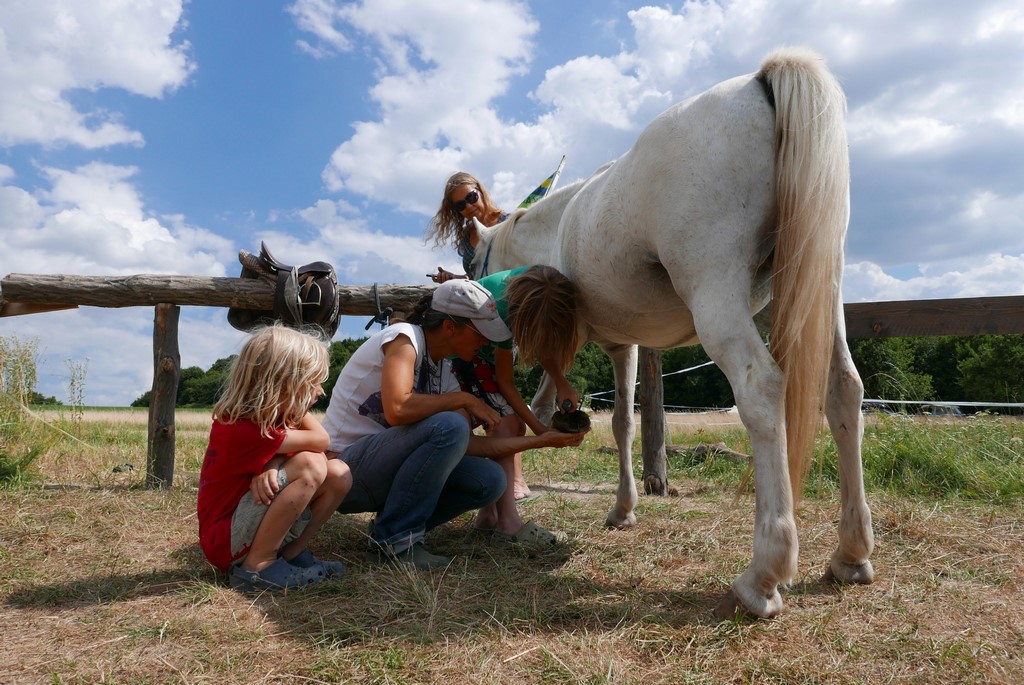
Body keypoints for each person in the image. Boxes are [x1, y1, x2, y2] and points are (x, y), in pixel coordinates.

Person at [321, 279, 586, 570]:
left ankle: (390, 526)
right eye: (481, 334)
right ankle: (395, 540)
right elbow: (397, 408)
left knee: (490, 481)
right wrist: (465, 400)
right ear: (450, 327)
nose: (485, 342)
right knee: (449, 425)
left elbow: (471, 445)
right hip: (346, 472)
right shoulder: (403, 338)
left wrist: (541, 440)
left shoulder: (443, 369)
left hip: (381, 471)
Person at [197, 325, 352, 592]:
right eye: (312, 383)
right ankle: (258, 567)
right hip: (226, 540)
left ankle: (291, 556)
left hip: (242, 525)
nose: (320, 392)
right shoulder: (241, 428)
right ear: (284, 385)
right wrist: (279, 454)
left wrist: (274, 462)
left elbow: (309, 444)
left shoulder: (268, 422)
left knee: (338, 473)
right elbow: (321, 441)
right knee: (311, 465)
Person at [453, 264, 583, 517]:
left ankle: (490, 514)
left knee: (509, 423)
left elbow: (539, 339)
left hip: (487, 355)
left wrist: (561, 381)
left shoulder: (539, 285)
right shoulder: (500, 311)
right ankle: (501, 515)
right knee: (508, 425)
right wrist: (540, 431)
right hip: (466, 356)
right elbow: (505, 381)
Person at [425, 171, 508, 283]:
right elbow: (475, 277)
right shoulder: (466, 238)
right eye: (460, 205)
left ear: (481, 192)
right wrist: (453, 278)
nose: (468, 206)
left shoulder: (509, 223)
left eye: (471, 197)